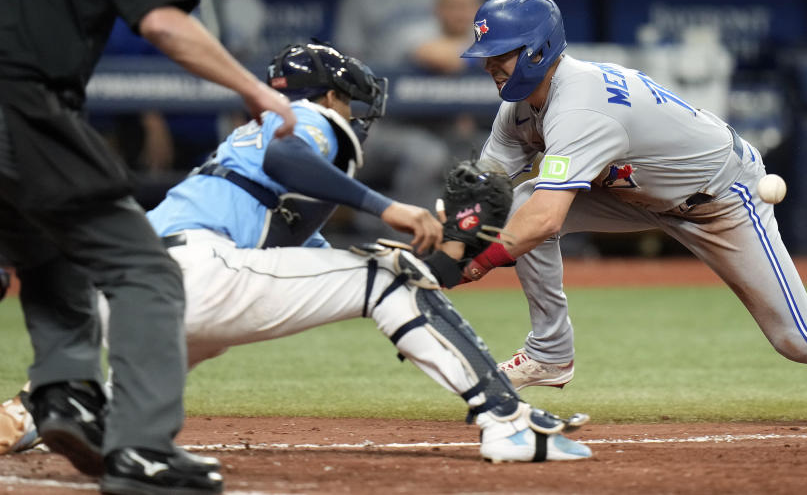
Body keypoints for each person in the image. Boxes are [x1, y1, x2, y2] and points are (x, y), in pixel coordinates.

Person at [3, 42, 593, 463]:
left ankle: (36, 410)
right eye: (351, 103)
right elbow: (286, 159)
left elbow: (335, 265)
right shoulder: (304, 120)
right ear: (329, 96)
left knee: (181, 357)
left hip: (134, 290)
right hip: (191, 274)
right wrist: (389, 208)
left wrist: (447, 248)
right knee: (383, 283)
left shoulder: (262, 179)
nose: (356, 118)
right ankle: (509, 424)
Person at [457, 0, 807, 423]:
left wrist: (470, 263)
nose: (489, 66)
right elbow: (491, 189)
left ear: (539, 49)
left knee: (801, 339)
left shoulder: (579, 106)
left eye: (501, 53)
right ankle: (550, 352)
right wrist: (445, 232)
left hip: (720, 198)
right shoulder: (518, 109)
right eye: (486, 55)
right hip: (640, 193)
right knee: (522, 200)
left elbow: (544, 220)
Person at [0, 0, 296, 494]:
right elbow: (163, 22)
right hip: (23, 110)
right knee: (146, 272)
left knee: (53, 255)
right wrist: (255, 89)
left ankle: (66, 391)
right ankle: (143, 448)